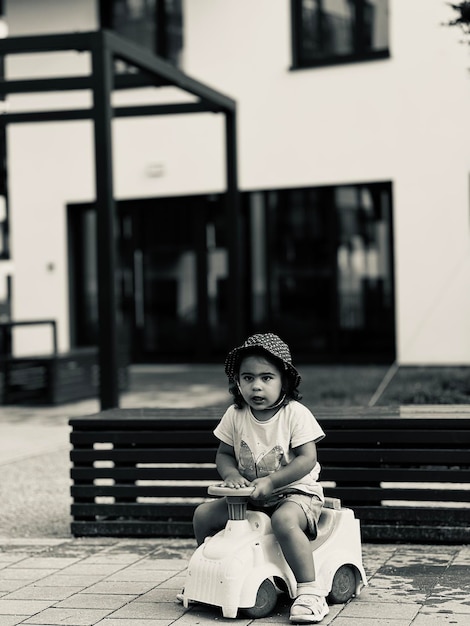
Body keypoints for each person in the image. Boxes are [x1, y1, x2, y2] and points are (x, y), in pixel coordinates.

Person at [192, 333, 329, 624]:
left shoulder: (295, 414)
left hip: (297, 494)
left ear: (284, 382)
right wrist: (230, 475)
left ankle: (309, 590)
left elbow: (308, 459)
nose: (256, 386)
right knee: (203, 515)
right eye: (248, 377)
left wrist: (272, 481)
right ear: (237, 382)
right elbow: (224, 455)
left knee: (284, 521)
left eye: (267, 378)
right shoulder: (235, 414)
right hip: (253, 496)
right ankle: (211, 577)